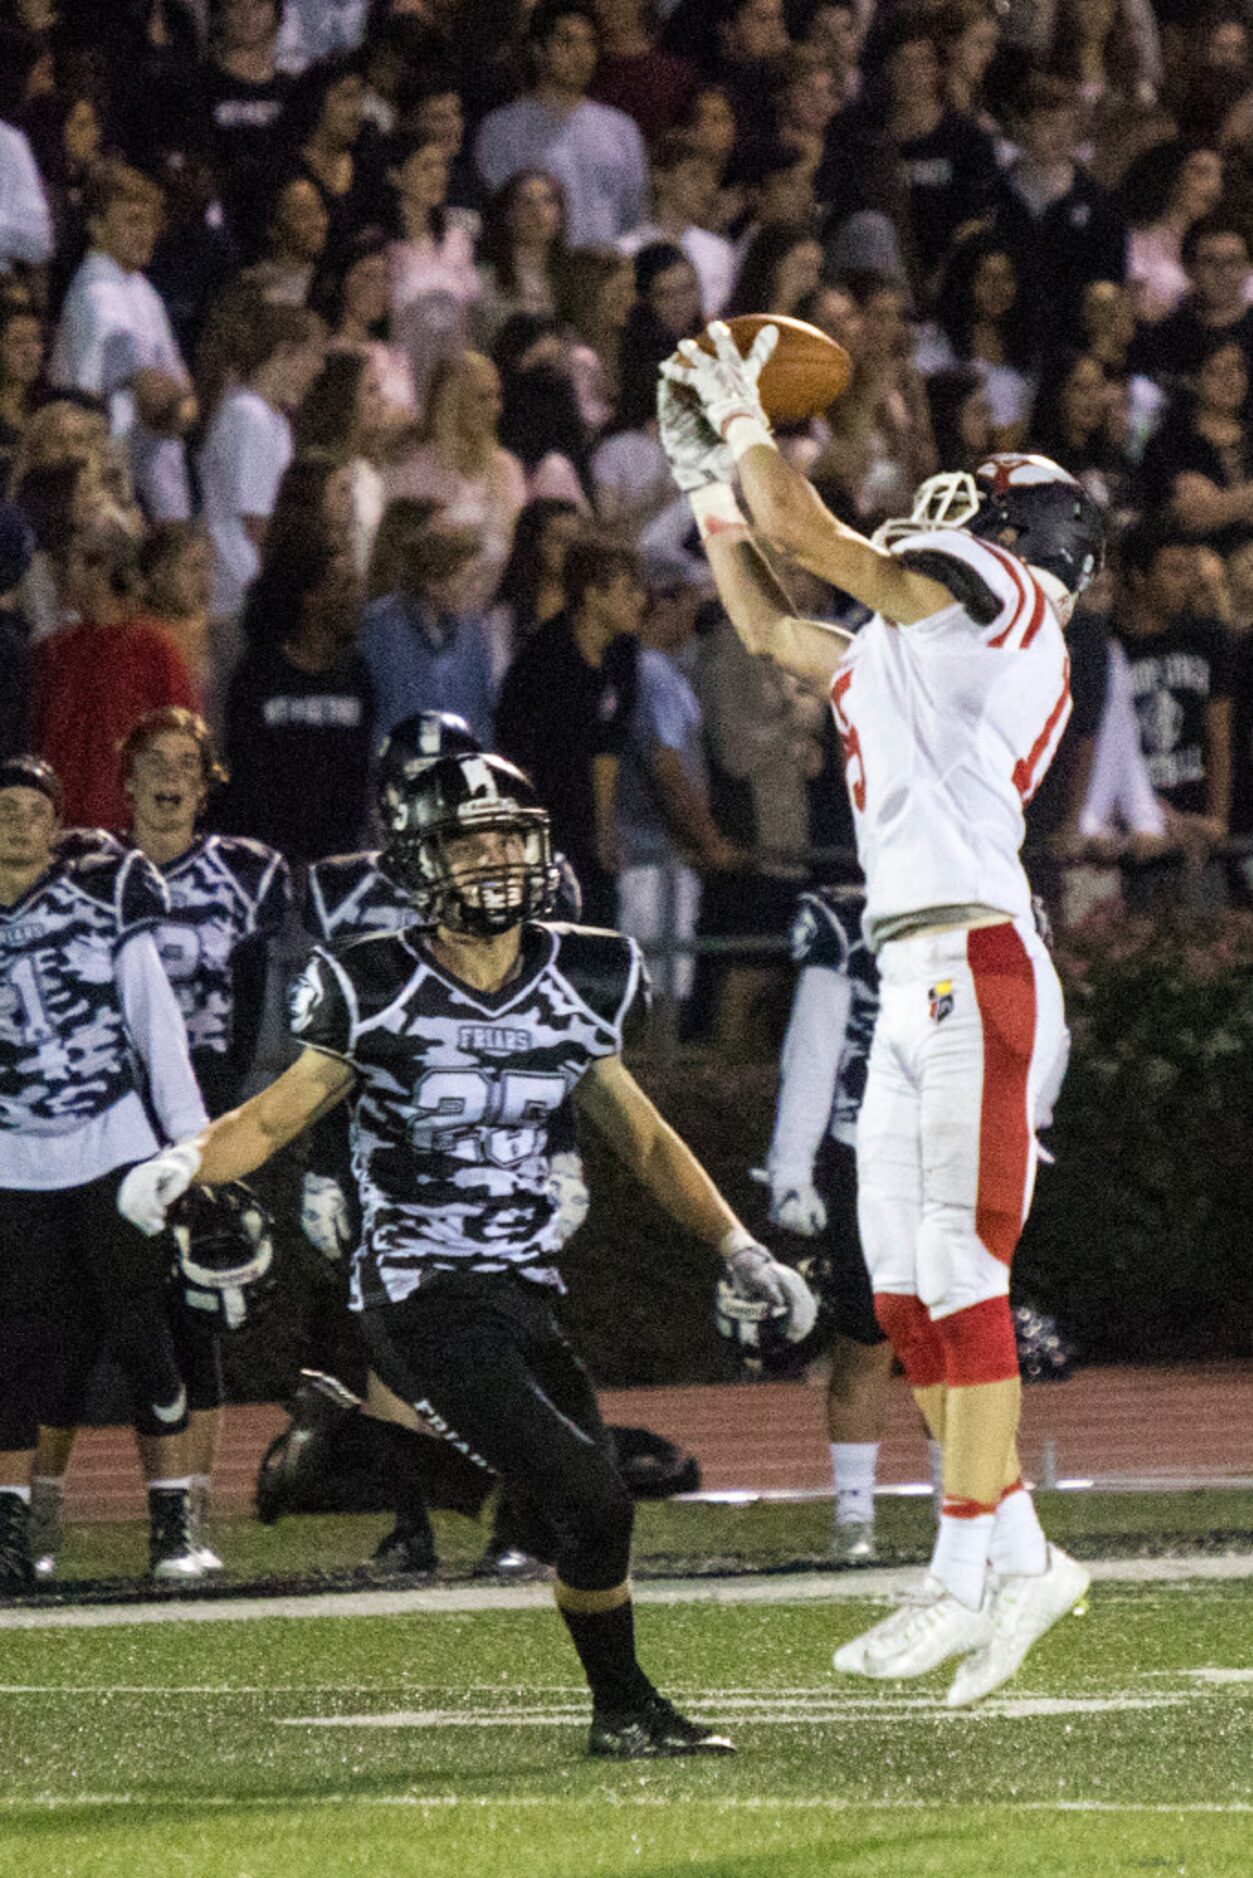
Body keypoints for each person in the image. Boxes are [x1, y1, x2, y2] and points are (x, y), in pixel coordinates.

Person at [118, 743, 817, 1756]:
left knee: (585, 1517)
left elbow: (646, 1139)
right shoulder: (376, 983)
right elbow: (271, 1119)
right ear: (417, 862)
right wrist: (186, 1162)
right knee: (587, 1494)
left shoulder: (579, 972)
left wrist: (739, 1248)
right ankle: (365, 1456)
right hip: (417, 1288)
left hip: (521, 1287)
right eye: (468, 841)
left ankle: (619, 1709)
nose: (493, 859)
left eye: (507, 838)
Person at [663, 319, 1099, 1704]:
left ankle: (960, 1568)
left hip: (975, 957)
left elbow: (809, 531)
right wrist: (703, 493)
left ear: (1013, 525)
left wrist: (743, 428)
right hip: (909, 966)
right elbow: (763, 616)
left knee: (960, 1274)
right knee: (906, 1292)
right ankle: (1018, 1552)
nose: (945, 496)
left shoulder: (1001, 596)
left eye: (972, 490)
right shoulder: (914, 646)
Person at [29, 710, 290, 1580]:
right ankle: (39, 1508)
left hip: (187, 1115)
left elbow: (244, 1017)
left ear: (207, 778)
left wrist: (207, 1141)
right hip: (84, 1118)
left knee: (182, 1323)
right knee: (54, 1321)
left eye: (187, 762)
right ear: (126, 776)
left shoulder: (243, 874)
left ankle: (187, 1511)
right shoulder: (83, 870)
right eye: (153, 762)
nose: (170, 777)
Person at [0, 755, 207, 1590]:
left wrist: (193, 1145)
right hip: (12, 1155)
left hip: (113, 1145)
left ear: (57, 826)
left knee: (142, 1336)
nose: (16, 822)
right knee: (14, 1349)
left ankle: (173, 1522)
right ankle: (11, 1530)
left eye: (31, 810)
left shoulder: (104, 892)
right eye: (3, 807)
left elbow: (155, 1024)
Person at [764, 882, 896, 1561]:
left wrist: (1025, 1119)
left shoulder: (996, 894)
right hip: (868, 1148)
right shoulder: (847, 920)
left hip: (961, 1144)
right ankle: (854, 1509)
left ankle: (968, 1507)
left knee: (960, 1344)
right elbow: (814, 1047)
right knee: (865, 1338)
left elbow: (1033, 1026)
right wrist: (790, 1164)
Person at [495, 534, 642, 925]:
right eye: (628, 590)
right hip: (545, 825)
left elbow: (607, 747)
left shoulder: (623, 654)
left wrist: (604, 829)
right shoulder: (542, 660)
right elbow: (517, 759)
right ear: (593, 595)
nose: (639, 601)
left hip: (587, 830)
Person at [49, 161, 198, 521]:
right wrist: (174, 406)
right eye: (132, 220)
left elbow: (186, 396)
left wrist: (176, 406)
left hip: (154, 489)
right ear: (96, 226)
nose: (146, 232)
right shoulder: (97, 292)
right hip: (110, 489)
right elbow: (154, 395)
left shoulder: (142, 288)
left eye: (151, 221)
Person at [30, 521, 196, 829]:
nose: (63, 572)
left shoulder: (153, 649)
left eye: (76, 560)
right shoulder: (52, 652)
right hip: (61, 835)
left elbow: (180, 739)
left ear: (105, 568)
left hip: (128, 833)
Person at [473, 2, 648, 250]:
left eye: (589, 43)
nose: (581, 54)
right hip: (537, 276)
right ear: (538, 50)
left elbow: (634, 215)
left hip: (605, 271)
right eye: (566, 42)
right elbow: (498, 212)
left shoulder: (621, 129)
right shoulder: (502, 128)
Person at [197, 299, 327, 622]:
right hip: (236, 590)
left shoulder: (277, 421)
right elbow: (256, 521)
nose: (320, 367)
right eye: (314, 354)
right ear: (285, 353)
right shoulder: (247, 415)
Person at [359, 520, 497, 748]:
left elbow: (481, 712)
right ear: (432, 583)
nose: (477, 589)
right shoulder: (380, 628)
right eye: (468, 580)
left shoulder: (473, 630)